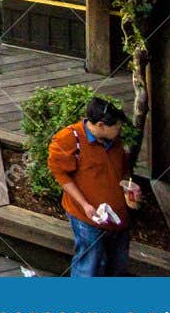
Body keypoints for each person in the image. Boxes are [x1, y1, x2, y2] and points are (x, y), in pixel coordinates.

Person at [47, 96, 138, 277]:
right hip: (87, 216)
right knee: (89, 264)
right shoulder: (68, 139)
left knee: (117, 264)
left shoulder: (114, 140)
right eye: (116, 127)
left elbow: (122, 169)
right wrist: (85, 205)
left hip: (117, 217)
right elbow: (60, 173)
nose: (119, 131)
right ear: (101, 126)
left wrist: (129, 186)